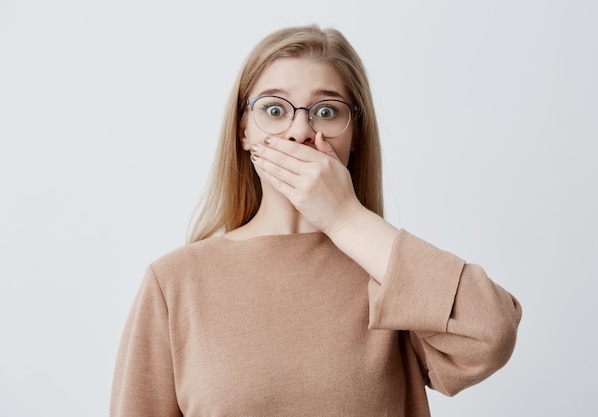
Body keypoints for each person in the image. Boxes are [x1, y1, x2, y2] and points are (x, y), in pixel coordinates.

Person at [110, 24, 522, 417]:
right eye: (274, 109)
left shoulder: (390, 276)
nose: (301, 131)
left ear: (355, 134)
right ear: (243, 132)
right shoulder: (175, 282)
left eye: (326, 111)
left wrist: (344, 218)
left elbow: (491, 332)